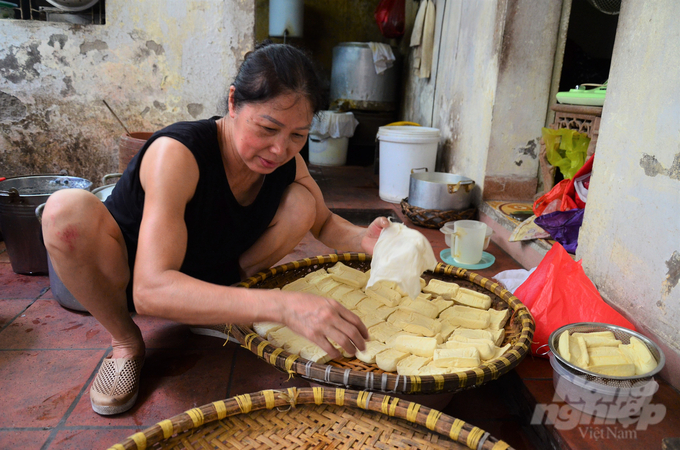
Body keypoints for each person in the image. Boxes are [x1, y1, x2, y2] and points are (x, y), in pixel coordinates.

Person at [41, 42, 389, 416]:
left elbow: (322, 221)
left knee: (302, 201)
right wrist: (283, 306)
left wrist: (365, 238)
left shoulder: (286, 159)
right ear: (233, 102)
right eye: (267, 128)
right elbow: (149, 289)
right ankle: (125, 342)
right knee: (65, 212)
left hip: (211, 273)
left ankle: (217, 308)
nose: (279, 149)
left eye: (297, 135)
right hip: (129, 278)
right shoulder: (178, 154)